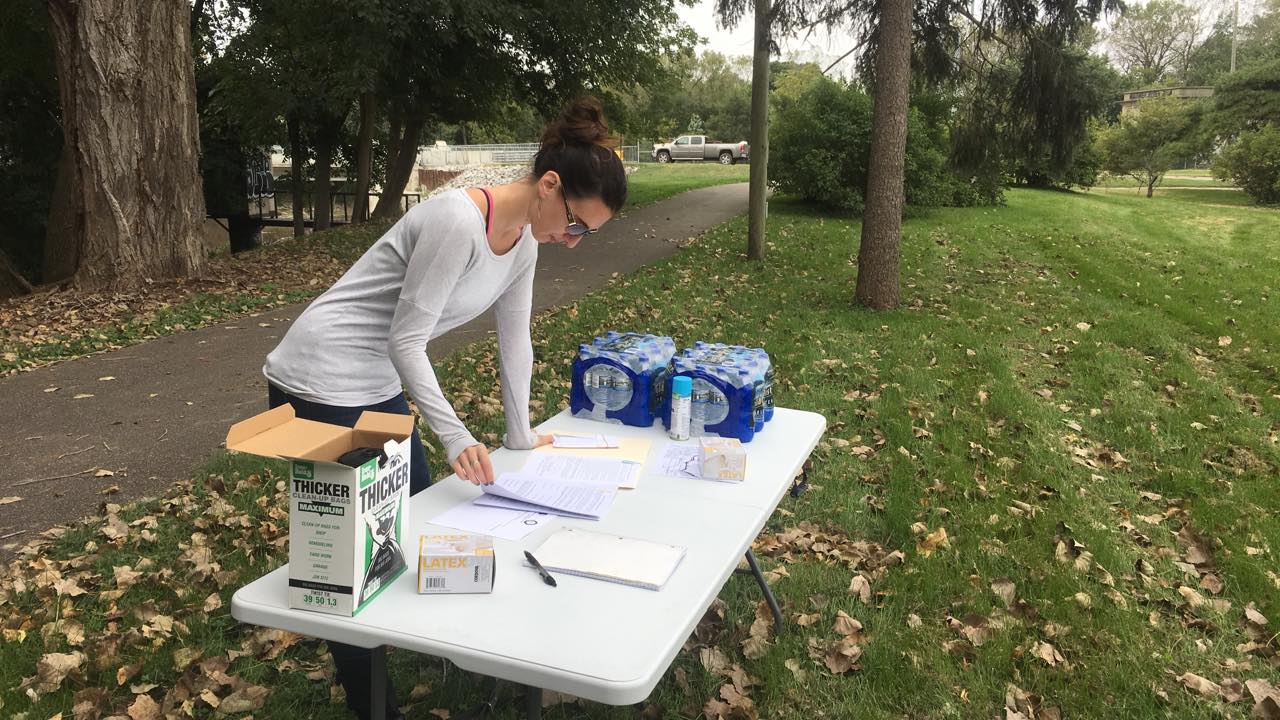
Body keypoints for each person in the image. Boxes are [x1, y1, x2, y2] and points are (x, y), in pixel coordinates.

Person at [259, 97, 627, 720]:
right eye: (576, 224)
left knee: (417, 522)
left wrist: (519, 434)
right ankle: (373, 707)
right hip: (319, 375)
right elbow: (407, 341)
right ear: (549, 185)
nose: (572, 241)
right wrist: (457, 437)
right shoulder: (457, 221)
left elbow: (516, 341)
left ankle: (430, 647)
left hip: (376, 378)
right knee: (350, 558)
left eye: (585, 234)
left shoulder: (525, 244)